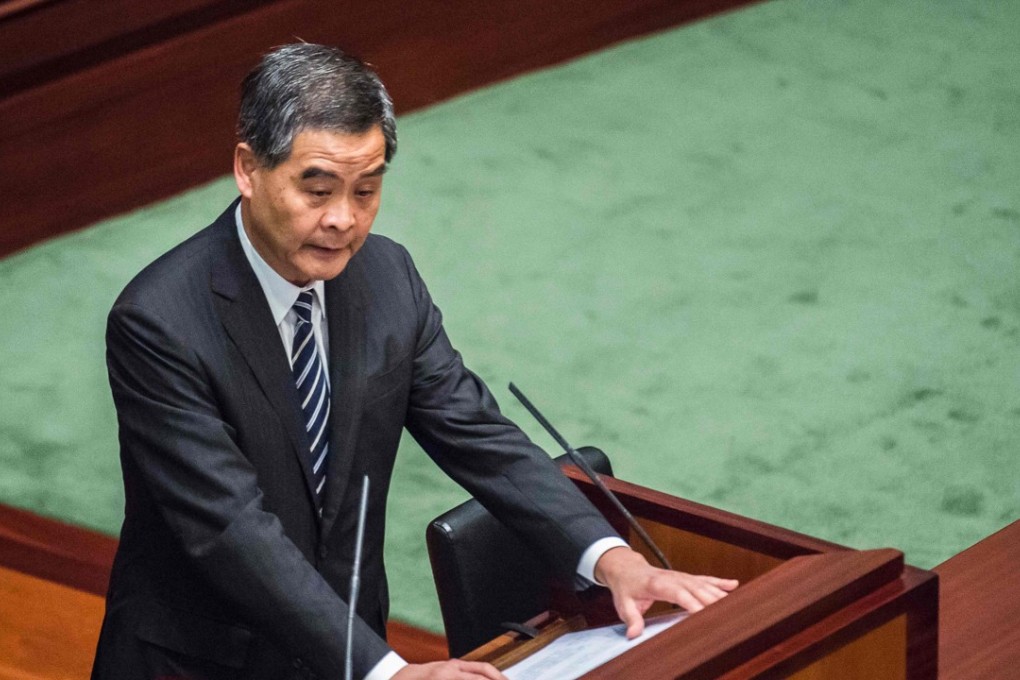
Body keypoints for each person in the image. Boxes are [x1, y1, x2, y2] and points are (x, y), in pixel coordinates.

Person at [91, 43, 737, 680]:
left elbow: (476, 432)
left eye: (366, 190)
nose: (343, 220)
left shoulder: (386, 278)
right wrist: (391, 672)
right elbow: (233, 532)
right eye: (316, 190)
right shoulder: (161, 323)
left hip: (351, 645)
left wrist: (611, 558)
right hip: (206, 661)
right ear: (248, 168)